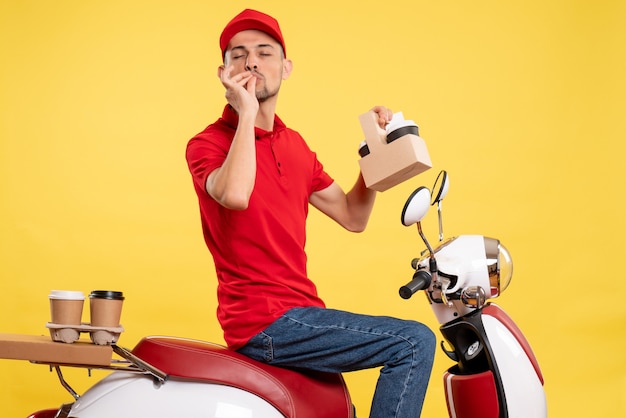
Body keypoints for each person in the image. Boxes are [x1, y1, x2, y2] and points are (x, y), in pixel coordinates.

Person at [186, 9, 435, 418]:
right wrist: (246, 113)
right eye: (239, 55)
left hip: (303, 315)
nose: (251, 62)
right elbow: (234, 194)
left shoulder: (295, 147)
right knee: (412, 342)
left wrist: (374, 153)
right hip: (262, 324)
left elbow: (354, 216)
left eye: (265, 53)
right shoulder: (207, 144)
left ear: (286, 67)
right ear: (223, 72)